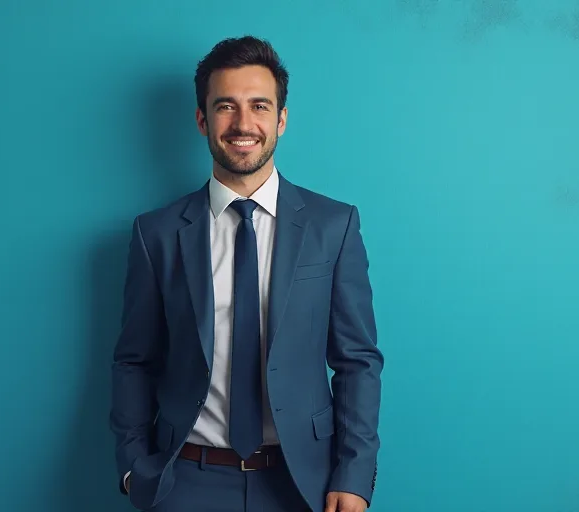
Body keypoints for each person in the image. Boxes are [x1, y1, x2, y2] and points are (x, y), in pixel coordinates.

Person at [109, 35, 383, 512]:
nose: (243, 124)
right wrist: (136, 467)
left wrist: (354, 474)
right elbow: (134, 360)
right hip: (185, 481)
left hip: (304, 483)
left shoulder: (333, 226)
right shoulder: (155, 234)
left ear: (281, 119)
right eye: (225, 107)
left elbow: (357, 360)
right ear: (202, 120)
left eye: (259, 106)